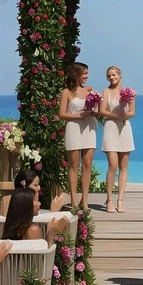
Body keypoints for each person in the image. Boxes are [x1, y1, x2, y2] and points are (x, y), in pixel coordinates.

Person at [1, 188, 92, 285]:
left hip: (13, 280)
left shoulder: (10, 229)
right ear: (26, 206)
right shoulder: (32, 230)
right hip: (34, 281)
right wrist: (51, 234)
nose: (38, 204)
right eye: (35, 201)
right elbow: (44, 263)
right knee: (55, 270)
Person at [59, 62, 97, 211]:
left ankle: (85, 200)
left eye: (87, 73)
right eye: (84, 73)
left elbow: (97, 108)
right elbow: (61, 114)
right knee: (74, 165)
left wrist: (94, 110)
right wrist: (79, 115)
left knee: (87, 164)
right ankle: (74, 200)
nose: (86, 76)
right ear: (76, 74)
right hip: (74, 127)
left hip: (89, 128)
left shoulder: (89, 90)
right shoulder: (67, 92)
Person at [99, 65, 136, 213]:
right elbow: (102, 111)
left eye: (114, 75)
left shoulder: (129, 92)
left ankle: (120, 200)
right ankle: (109, 199)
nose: (111, 78)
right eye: (109, 76)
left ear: (120, 75)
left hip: (124, 128)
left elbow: (132, 112)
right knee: (112, 165)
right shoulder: (106, 92)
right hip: (110, 128)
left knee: (124, 166)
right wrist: (114, 116)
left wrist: (125, 116)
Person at [1, 168, 66, 216]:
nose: (39, 188)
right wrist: (54, 212)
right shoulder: (12, 201)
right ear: (25, 187)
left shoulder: (35, 203)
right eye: (36, 185)